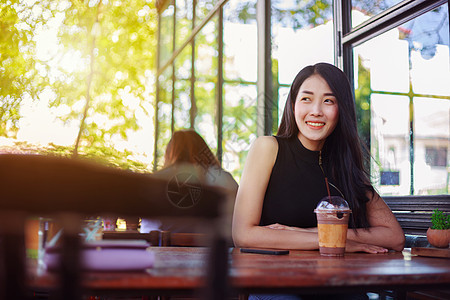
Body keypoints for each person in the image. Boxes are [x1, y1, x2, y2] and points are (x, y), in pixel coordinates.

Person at [232, 63, 405, 299]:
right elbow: (243, 234)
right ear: (293, 104)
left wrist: (312, 234)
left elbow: (394, 237)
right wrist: (338, 240)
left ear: (341, 109)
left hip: (337, 284)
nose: (316, 111)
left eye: (328, 101)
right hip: (276, 283)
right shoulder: (268, 148)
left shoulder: (345, 165)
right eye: (306, 99)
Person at [141, 129, 238, 234]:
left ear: (169, 153)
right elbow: (236, 224)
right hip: (219, 248)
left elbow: (148, 232)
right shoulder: (226, 179)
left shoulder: (159, 180)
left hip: (167, 249)